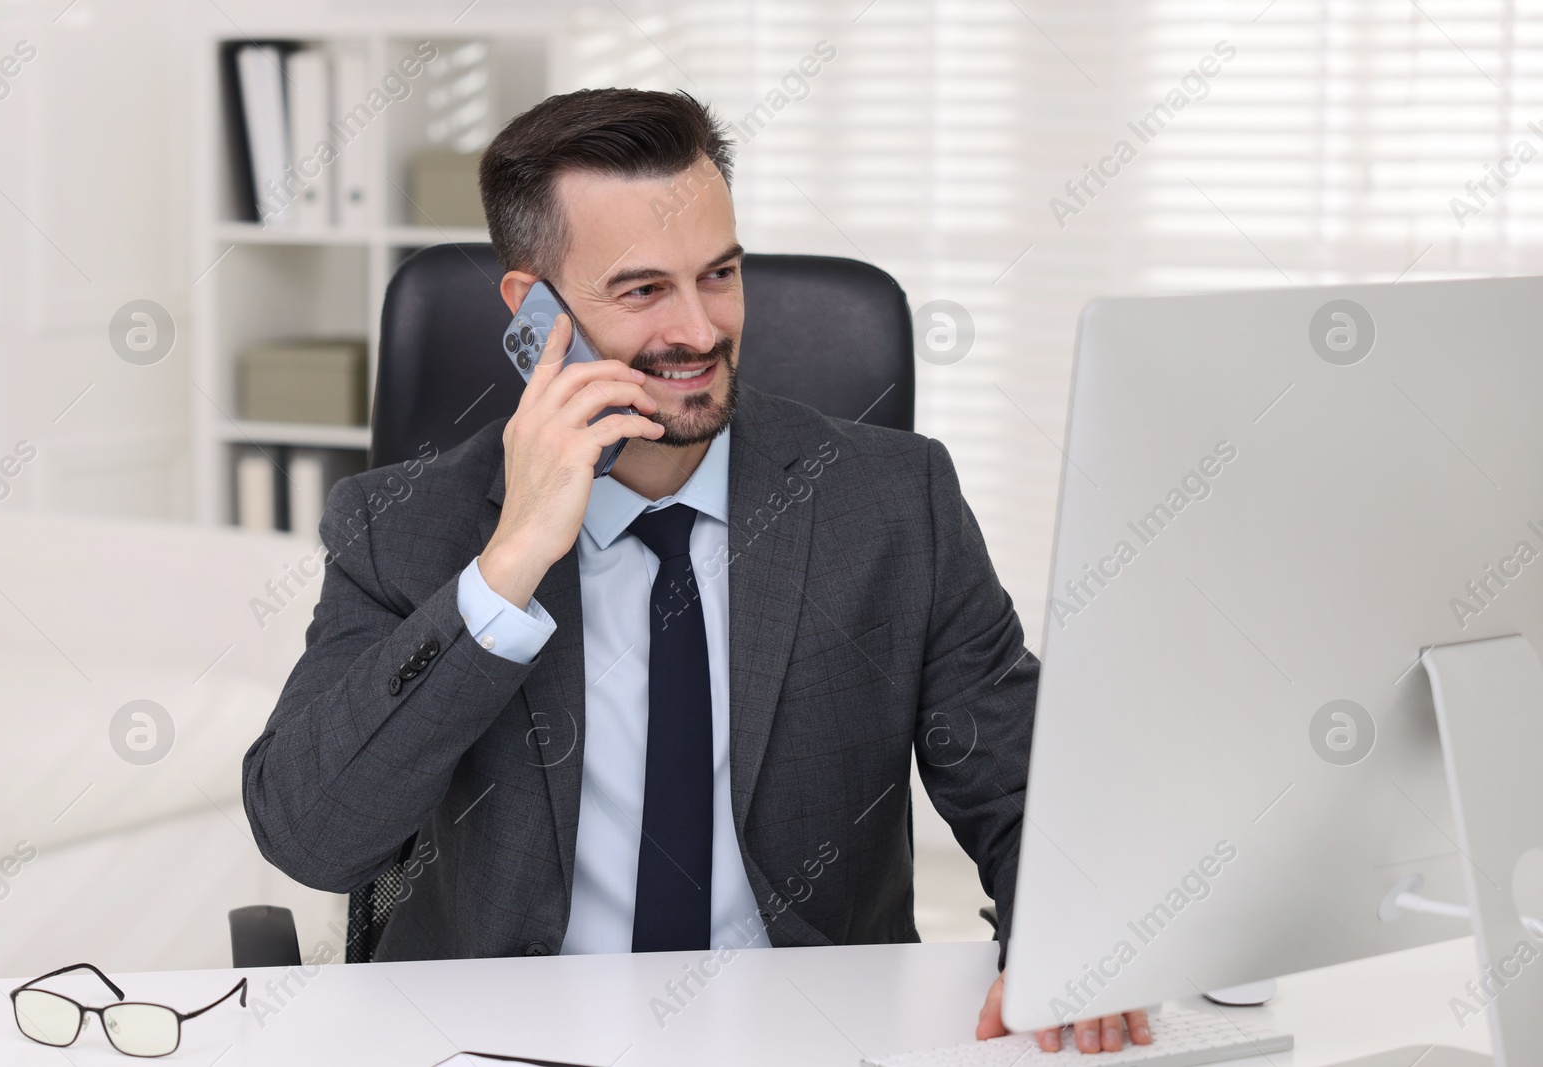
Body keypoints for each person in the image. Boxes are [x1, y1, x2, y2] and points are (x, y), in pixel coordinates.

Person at [242, 87, 1147, 1055]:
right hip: (501, 1039)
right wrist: (507, 565)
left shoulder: (892, 502)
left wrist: (1066, 944)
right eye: (642, 291)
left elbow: (1024, 792)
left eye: (717, 274)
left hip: (808, 1034)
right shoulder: (402, 527)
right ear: (532, 308)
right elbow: (311, 834)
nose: (699, 330)